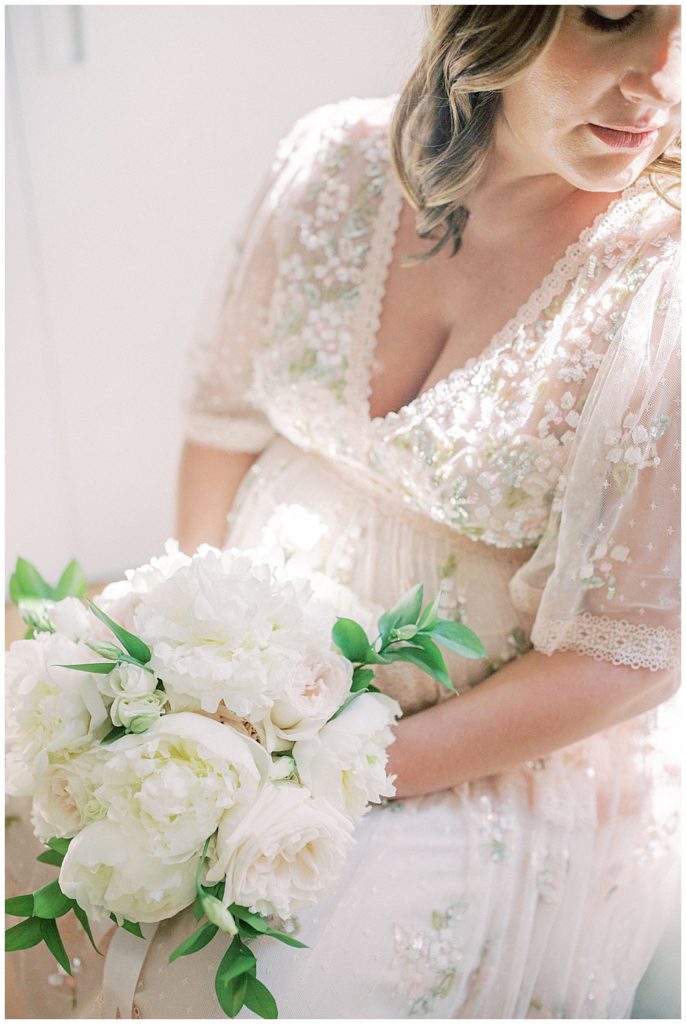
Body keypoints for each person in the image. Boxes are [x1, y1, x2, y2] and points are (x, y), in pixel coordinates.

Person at [6, 5, 680, 1019]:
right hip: (236, 678)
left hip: (471, 757)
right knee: (36, 830)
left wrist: (332, 769)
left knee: (265, 969)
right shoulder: (335, 161)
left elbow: (625, 658)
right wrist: (185, 667)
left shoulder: (660, 282)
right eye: (614, 15)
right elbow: (223, 426)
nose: (659, 76)